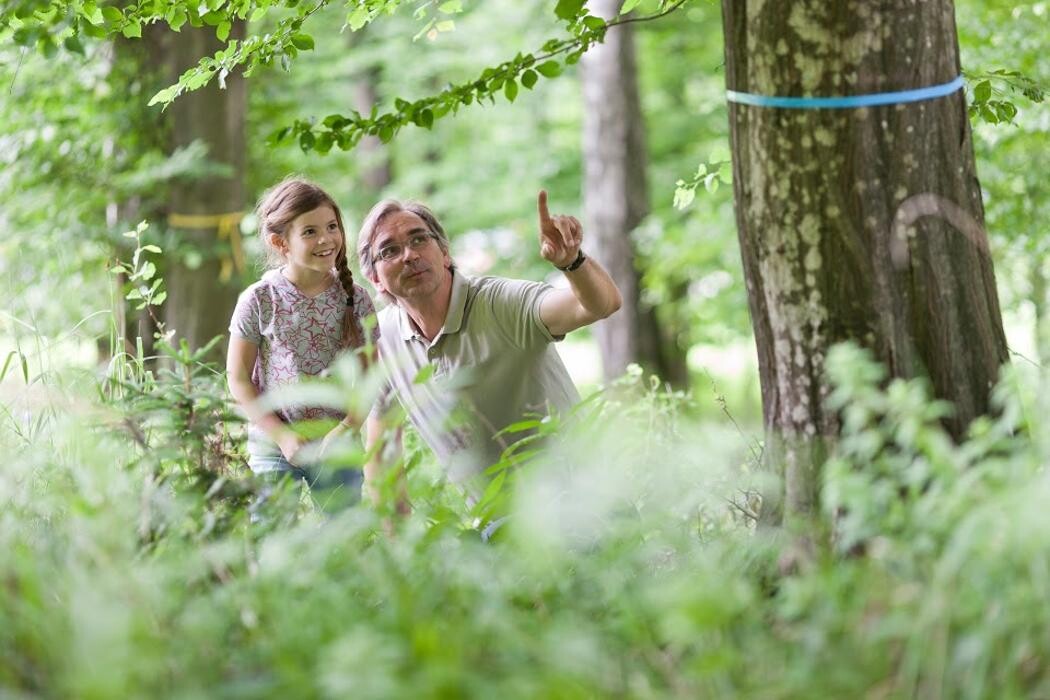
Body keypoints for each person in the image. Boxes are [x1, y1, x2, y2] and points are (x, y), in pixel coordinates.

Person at [357, 190, 622, 508]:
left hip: (588, 499)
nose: (409, 255)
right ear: (375, 278)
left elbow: (600, 305)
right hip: (498, 528)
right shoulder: (380, 339)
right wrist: (396, 542)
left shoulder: (501, 302)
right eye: (389, 251)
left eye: (418, 240)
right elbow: (382, 453)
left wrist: (573, 263)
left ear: (444, 253)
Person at [227, 177, 378, 505]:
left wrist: (346, 429)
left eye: (332, 226)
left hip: (337, 443)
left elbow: (370, 377)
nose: (326, 239)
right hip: (274, 443)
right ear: (280, 243)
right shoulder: (260, 299)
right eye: (310, 231)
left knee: (345, 540)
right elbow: (238, 379)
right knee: (273, 536)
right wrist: (283, 438)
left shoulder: (356, 299)